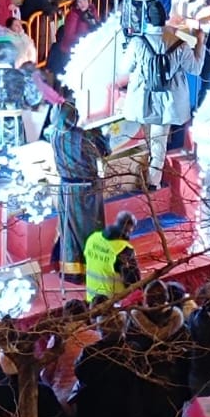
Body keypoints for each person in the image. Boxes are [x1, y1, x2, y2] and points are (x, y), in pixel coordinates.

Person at [52, 102, 107, 283]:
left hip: (65, 189)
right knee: (90, 230)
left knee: (69, 231)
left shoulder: (53, 135)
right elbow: (102, 151)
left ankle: (71, 271)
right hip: (86, 192)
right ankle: (93, 267)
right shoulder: (83, 137)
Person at [84, 210, 140, 301]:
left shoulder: (93, 238)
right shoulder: (124, 249)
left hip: (92, 298)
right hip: (111, 301)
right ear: (129, 230)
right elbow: (133, 282)